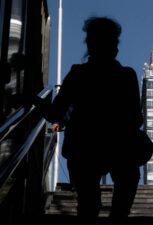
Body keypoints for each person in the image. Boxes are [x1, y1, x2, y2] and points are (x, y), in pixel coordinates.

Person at [45, 16, 143, 220]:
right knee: (127, 179)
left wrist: (33, 101)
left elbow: (54, 112)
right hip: (119, 147)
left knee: (87, 205)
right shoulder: (127, 76)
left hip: (83, 148)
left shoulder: (78, 74)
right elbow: (136, 119)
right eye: (115, 41)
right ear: (114, 45)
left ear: (90, 44)